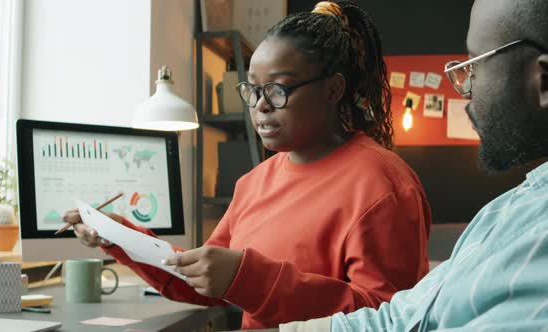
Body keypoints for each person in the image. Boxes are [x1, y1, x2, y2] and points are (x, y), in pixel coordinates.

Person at [63, 1, 432, 329]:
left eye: (277, 89)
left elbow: (391, 319)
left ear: (333, 90)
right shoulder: (254, 182)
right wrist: (120, 236)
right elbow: (204, 281)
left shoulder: (383, 184)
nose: (260, 105)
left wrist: (249, 277)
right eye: (252, 90)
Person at [278, 0, 548, 330]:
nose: (465, 88)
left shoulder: (381, 178)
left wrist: (251, 277)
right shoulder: (502, 212)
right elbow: (401, 318)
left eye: (475, 66)